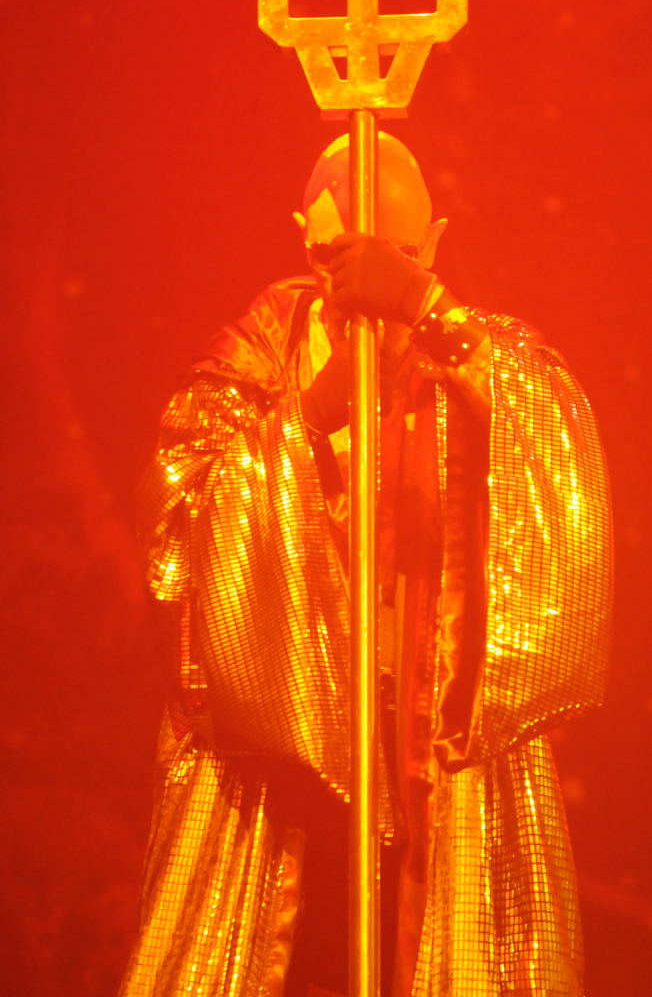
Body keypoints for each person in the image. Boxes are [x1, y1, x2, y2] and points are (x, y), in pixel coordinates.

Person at [119, 133, 612, 997]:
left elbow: (554, 448)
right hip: (282, 777)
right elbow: (180, 537)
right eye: (338, 258)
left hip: (436, 760)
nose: (363, 283)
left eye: (398, 257)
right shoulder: (249, 366)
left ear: (436, 241)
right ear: (301, 239)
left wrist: (430, 311)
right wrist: (306, 422)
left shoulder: (479, 355)